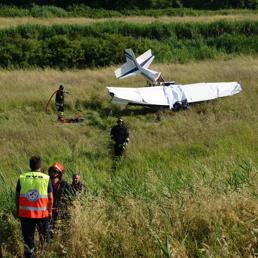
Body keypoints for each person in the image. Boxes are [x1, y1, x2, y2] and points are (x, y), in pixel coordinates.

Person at [16, 156, 53, 258]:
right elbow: (50, 198)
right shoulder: (46, 178)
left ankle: (30, 255)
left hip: (25, 214)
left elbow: (17, 196)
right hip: (42, 214)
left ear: (30, 166)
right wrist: (50, 211)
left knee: (28, 239)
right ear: (40, 166)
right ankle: (45, 255)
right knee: (44, 238)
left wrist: (17, 210)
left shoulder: (22, 177)